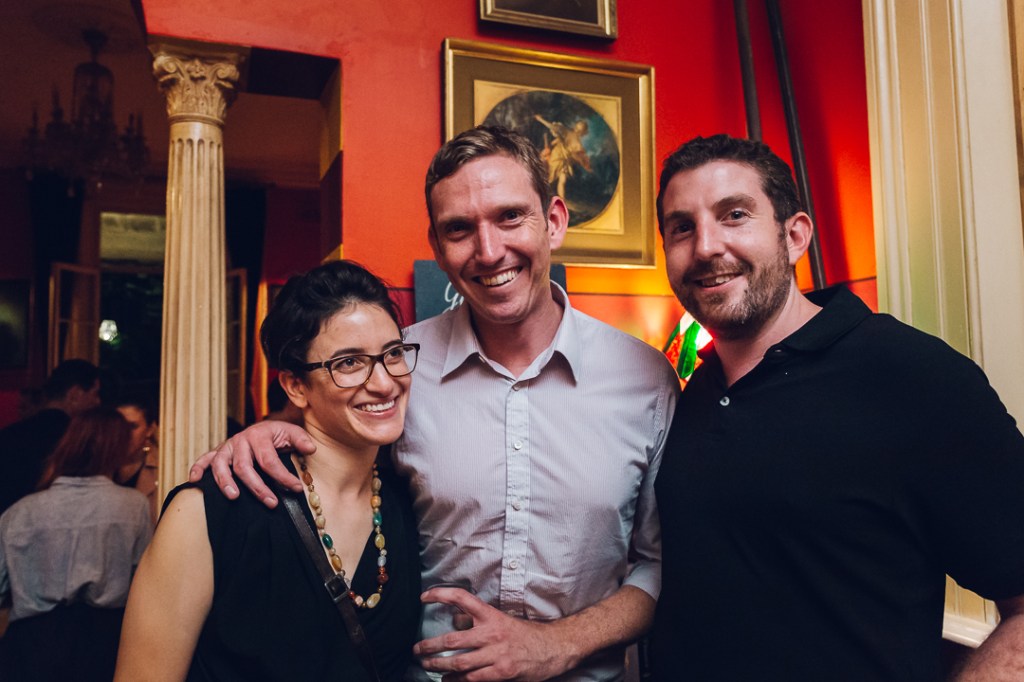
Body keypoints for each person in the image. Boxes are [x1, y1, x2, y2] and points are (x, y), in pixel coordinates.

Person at [190, 126, 680, 681]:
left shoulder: (644, 378)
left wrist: (557, 644)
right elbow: (328, 436)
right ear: (438, 248)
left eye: (510, 217)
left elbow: (659, 565)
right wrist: (265, 433)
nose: (489, 251)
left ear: (555, 221)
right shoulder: (396, 369)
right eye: (459, 229)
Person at [651, 134, 1024, 680]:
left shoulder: (913, 376)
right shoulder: (687, 392)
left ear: (795, 236)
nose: (706, 246)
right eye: (682, 227)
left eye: (734, 215)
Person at [115, 261, 421, 681]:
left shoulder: (406, 503)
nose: (384, 382)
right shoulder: (208, 513)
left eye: (393, 353)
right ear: (296, 386)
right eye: (349, 363)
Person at [0, 406, 152, 680]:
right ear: (116, 448)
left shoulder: (19, 512)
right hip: (102, 641)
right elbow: (145, 583)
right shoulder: (132, 506)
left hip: (30, 644)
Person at [0, 359, 101, 515]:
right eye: (95, 394)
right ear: (75, 394)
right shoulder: (78, 440)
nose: (97, 402)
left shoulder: (8, 434)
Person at [115, 395, 160, 523]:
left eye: (133, 426)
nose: (124, 433)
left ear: (149, 429)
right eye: (119, 425)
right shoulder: (99, 466)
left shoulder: (162, 468)